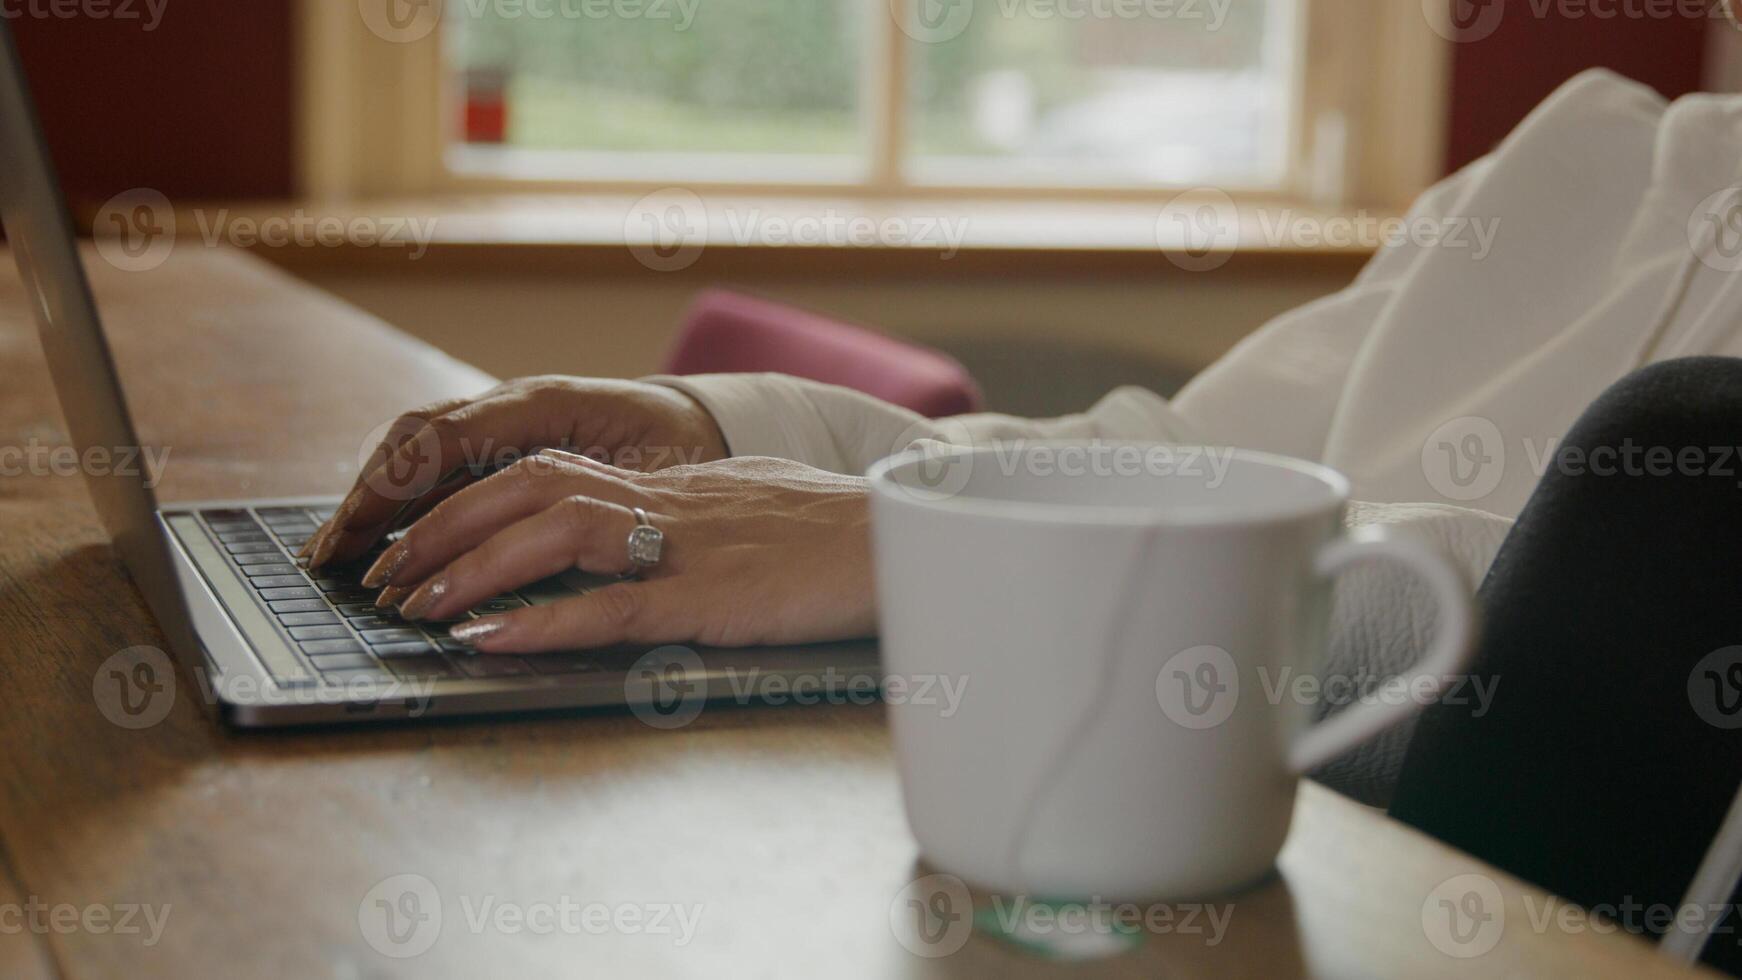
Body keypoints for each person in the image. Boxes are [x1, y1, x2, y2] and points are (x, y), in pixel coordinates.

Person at [304, 68, 1742, 963]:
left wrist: (940, 549)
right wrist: (719, 437)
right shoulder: (1597, 158)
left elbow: (1582, 630)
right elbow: (1161, 454)